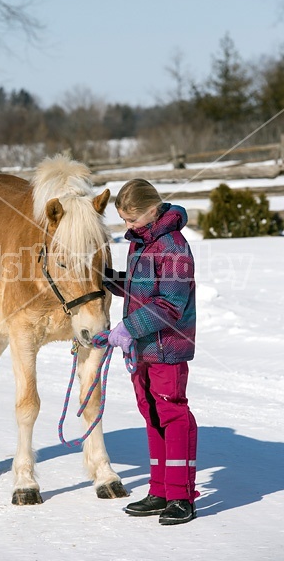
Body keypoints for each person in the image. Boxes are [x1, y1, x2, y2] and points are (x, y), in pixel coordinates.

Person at [104, 178, 198, 526]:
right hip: (143, 349)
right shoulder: (141, 243)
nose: (127, 227)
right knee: (152, 414)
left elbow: (170, 303)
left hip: (167, 347)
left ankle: (182, 496)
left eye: (131, 220)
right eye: (124, 221)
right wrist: (108, 280)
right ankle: (159, 490)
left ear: (152, 209)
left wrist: (129, 327)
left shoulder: (173, 247)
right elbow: (140, 287)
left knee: (172, 414)